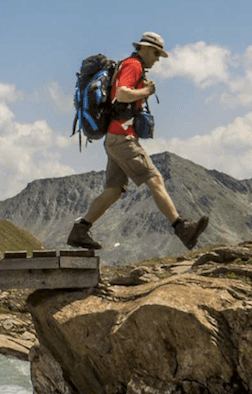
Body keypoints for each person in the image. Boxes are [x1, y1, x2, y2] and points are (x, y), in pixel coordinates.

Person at [67, 31, 209, 251]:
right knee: (155, 178)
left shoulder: (130, 65)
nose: (157, 59)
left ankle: (80, 231)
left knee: (113, 191)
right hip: (122, 138)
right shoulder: (133, 65)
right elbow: (122, 94)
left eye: (159, 55)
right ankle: (182, 228)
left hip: (114, 138)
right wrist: (145, 91)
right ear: (143, 49)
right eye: (155, 53)